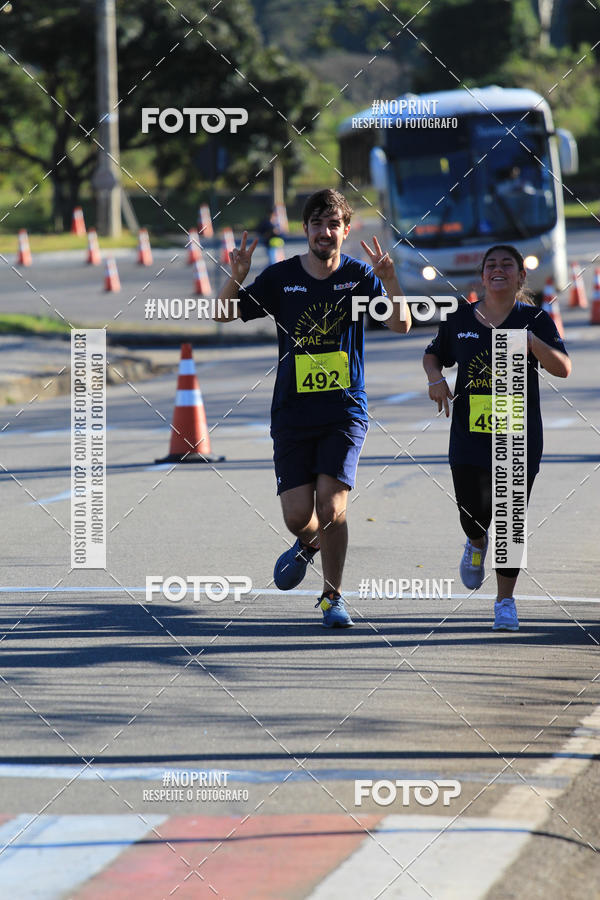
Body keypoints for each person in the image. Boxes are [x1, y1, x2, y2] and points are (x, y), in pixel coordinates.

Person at [215, 188, 411, 627]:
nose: (326, 232)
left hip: (345, 411)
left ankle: (332, 596)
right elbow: (223, 313)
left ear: (346, 230)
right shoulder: (281, 277)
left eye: (334, 224)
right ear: (305, 229)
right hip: (292, 413)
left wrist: (391, 281)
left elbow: (401, 323)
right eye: (317, 224)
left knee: (331, 507)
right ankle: (309, 543)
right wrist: (237, 274)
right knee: (297, 516)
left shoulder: (360, 276)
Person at [423, 245, 571, 631]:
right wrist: (436, 379)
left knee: (509, 519)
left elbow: (563, 368)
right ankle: (474, 541)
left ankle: (505, 601)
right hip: (470, 435)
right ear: (482, 276)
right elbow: (433, 354)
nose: (499, 270)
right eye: (492, 265)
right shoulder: (460, 319)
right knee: (472, 511)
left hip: (518, 435)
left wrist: (531, 343)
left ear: (522, 277)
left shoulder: (535, 318)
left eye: (508, 265)